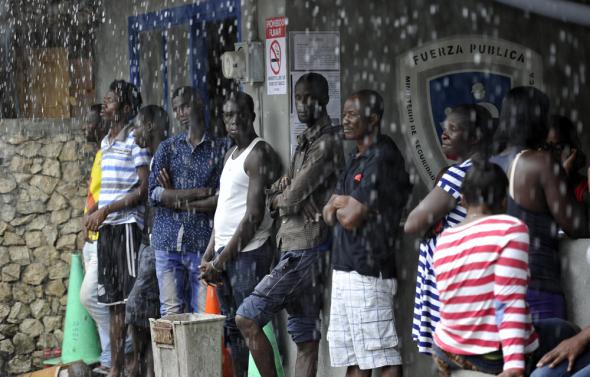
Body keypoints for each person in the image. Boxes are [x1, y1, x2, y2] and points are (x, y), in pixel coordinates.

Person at [236, 73, 344, 377]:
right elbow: (283, 191)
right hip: (295, 247)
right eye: (297, 98)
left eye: (309, 98)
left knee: (246, 317)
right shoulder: (305, 141)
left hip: (305, 251)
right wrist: (284, 194)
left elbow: (293, 195)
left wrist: (286, 195)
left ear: (324, 100)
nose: (302, 104)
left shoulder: (326, 143)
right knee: (306, 340)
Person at [323, 89, 411, 377]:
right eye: (344, 114)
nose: (345, 120)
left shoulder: (384, 156)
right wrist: (341, 202)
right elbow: (328, 213)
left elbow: (348, 218)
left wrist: (343, 204)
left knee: (382, 356)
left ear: (373, 119)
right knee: (356, 358)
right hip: (345, 267)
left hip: (369, 270)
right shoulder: (356, 156)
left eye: (352, 114)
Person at [199, 91, 280, 377]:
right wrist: (210, 253)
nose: (233, 121)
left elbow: (252, 218)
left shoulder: (259, 153)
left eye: (238, 115)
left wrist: (220, 261)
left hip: (248, 256)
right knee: (233, 331)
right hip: (226, 255)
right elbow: (225, 208)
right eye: (227, 116)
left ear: (252, 115)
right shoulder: (231, 155)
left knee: (250, 325)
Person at [431, 161, 539, 377]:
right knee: (564, 331)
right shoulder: (510, 229)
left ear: (462, 200)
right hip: (487, 358)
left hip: (445, 351)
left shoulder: (445, 239)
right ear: (504, 202)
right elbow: (508, 302)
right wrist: (513, 367)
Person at [490, 87, 588, 320]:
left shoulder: (491, 164)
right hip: (536, 287)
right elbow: (577, 225)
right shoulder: (541, 163)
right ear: (537, 120)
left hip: (496, 291)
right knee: (548, 356)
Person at [404, 104, 496, 354]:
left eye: (453, 129)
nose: (444, 135)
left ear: (475, 137)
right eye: (444, 129)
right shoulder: (492, 170)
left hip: (447, 287)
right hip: (470, 283)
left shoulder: (459, 174)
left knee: (446, 357)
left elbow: (413, 223)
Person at [85, 80, 149, 377]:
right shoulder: (106, 142)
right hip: (107, 230)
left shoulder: (134, 140)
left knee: (129, 301)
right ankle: (116, 367)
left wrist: (107, 210)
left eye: (109, 101)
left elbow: (144, 189)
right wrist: (95, 212)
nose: (104, 104)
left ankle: (135, 363)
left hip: (125, 227)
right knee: (113, 302)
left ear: (124, 108)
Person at [148, 86, 227, 315]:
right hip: (167, 242)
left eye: (185, 106)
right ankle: (176, 354)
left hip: (201, 244)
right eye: (176, 109)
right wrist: (196, 193)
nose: (181, 113)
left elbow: (220, 200)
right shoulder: (167, 148)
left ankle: (198, 354)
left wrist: (174, 198)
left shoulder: (220, 149)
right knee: (171, 312)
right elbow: (153, 194)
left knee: (204, 315)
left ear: (199, 104)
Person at [126, 105, 169, 377]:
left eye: (138, 126)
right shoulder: (155, 157)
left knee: (136, 306)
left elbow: (164, 198)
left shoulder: (165, 156)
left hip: (160, 243)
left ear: (151, 126)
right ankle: (148, 368)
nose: (133, 132)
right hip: (151, 240)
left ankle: (135, 366)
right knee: (151, 311)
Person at [80, 104, 112, 375]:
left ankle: (117, 352)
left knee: (90, 297)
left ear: (101, 124)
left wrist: (93, 213)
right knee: (98, 300)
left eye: (89, 123)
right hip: (91, 240)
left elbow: (113, 190)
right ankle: (108, 361)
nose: (84, 128)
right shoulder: (102, 150)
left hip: (104, 238)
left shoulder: (111, 150)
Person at [545, 115, 588, 204]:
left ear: (572, 151)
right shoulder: (540, 186)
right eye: (547, 147)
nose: (550, 154)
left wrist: (563, 176)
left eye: (558, 148)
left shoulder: (584, 189)